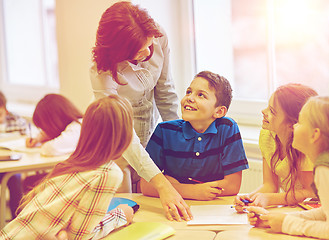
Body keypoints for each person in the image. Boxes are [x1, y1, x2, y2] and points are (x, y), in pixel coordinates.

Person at [90, 2, 191, 221]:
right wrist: (162, 184)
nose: (147, 52)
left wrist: (179, 141)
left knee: (157, 209)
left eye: (149, 45)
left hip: (150, 135)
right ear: (119, 52)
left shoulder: (157, 34)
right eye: (139, 50)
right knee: (126, 215)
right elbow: (124, 135)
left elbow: (165, 92)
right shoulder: (103, 72)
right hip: (116, 146)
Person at [0, 95, 135, 240]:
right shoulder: (108, 173)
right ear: (125, 134)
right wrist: (119, 216)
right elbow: (80, 236)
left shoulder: (72, 162)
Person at [245, 96, 329, 240]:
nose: (294, 126)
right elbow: (327, 212)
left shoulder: (326, 167)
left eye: (299, 122)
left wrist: (286, 224)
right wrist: (276, 219)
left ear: (315, 134)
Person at [140, 71, 249, 200]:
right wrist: (192, 191)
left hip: (213, 209)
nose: (190, 98)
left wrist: (171, 185)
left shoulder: (228, 128)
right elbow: (146, 186)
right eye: (188, 92)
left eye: (201, 95)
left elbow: (232, 186)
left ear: (219, 111)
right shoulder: (165, 131)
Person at [234, 84, 318, 211]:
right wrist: (249, 198)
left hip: (312, 210)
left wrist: (269, 199)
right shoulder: (267, 136)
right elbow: (269, 185)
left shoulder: (306, 147)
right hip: (291, 209)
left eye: (272, 111)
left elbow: (310, 193)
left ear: (292, 123)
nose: (263, 111)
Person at [0, 91, 27, 219]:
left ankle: (17, 222)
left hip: (10, 165)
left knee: (15, 179)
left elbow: (25, 143)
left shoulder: (16, 120)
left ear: (5, 108)